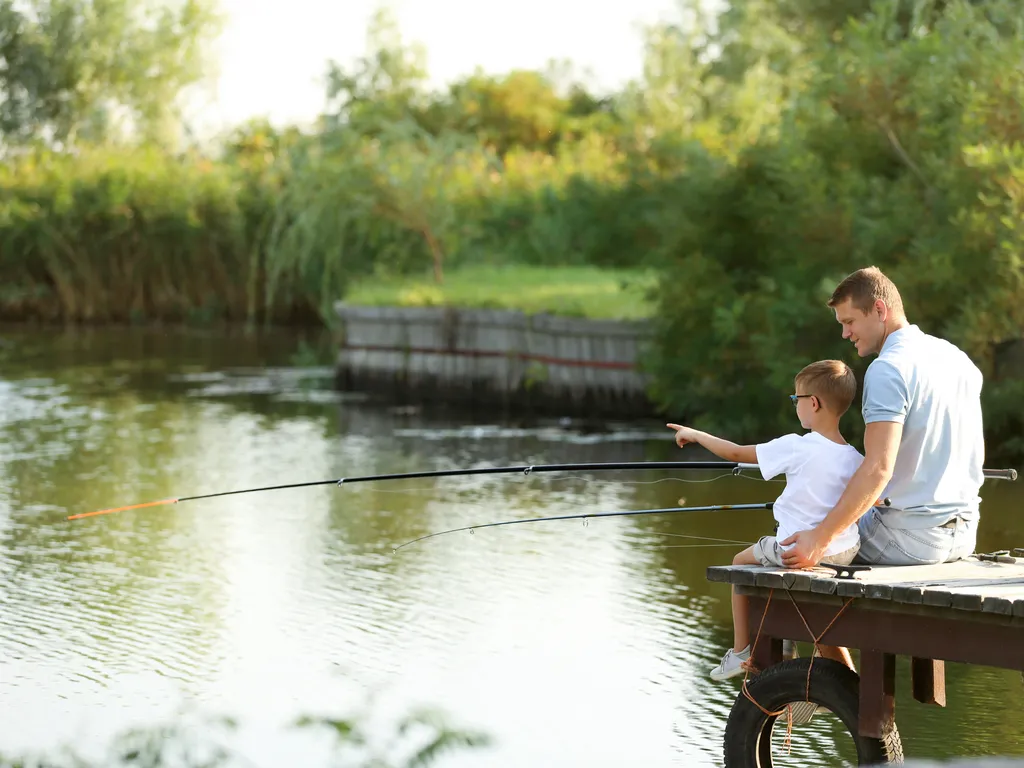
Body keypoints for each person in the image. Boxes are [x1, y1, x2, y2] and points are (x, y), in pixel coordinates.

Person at [667, 359, 864, 681]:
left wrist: (697, 434)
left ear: (813, 403)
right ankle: (802, 656)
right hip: (845, 551)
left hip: (799, 551)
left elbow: (734, 453)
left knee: (739, 566)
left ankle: (740, 650)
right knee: (776, 576)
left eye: (796, 399)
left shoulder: (797, 446)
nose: (795, 406)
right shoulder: (856, 457)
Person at [780, 266, 984, 569]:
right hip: (965, 535)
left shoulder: (888, 368)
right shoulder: (957, 358)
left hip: (908, 540)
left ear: (879, 309)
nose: (845, 333)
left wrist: (819, 539)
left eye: (849, 322)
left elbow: (878, 469)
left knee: (788, 546)